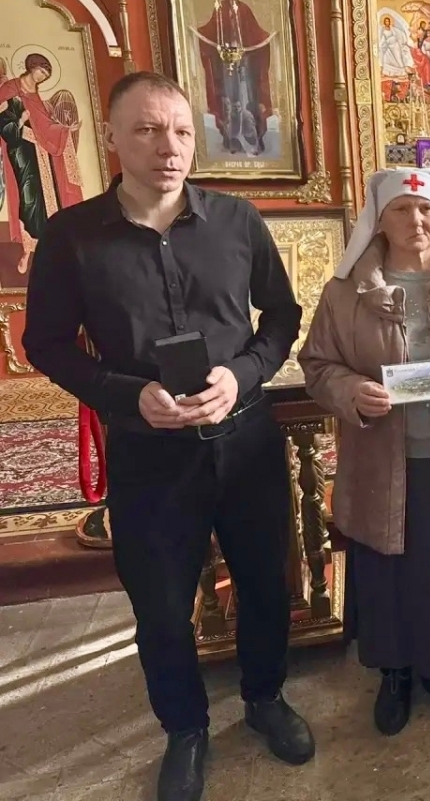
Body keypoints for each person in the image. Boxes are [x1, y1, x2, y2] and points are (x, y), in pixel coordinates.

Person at [22, 71, 313, 801]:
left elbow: (281, 317)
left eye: (182, 131)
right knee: (159, 607)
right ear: (112, 138)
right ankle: (185, 729)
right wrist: (127, 394)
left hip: (244, 444)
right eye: (148, 130)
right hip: (149, 453)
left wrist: (241, 376)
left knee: (265, 585)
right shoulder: (71, 237)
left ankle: (265, 698)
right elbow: (46, 344)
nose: (169, 147)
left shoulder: (237, 221)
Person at [298, 167, 430, 735]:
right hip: (383, 462)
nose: (415, 220)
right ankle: (395, 670)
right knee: (391, 569)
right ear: (379, 219)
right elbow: (317, 364)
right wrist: (352, 391)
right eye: (400, 209)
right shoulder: (345, 293)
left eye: (426, 209)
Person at [0, 52, 85, 276]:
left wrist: (65, 130)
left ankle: (49, 250)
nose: (42, 77)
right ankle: (27, 252)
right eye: (41, 72)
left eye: (46, 75)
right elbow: (4, 123)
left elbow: (45, 125)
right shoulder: (10, 88)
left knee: (50, 200)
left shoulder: (36, 97)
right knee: (29, 198)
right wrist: (19, 121)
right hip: (21, 151)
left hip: (41, 153)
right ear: (32, 67)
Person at [193, 0, 275, 155]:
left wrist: (267, 37)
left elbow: (255, 32)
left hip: (244, 62)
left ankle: (252, 139)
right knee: (230, 101)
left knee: (247, 99)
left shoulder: (244, 9)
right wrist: (198, 32)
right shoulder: (220, 10)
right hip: (226, 63)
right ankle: (232, 139)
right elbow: (211, 31)